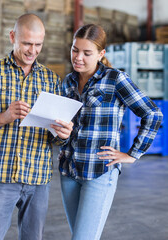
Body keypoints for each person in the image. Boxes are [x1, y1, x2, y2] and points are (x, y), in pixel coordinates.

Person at [0, 13, 74, 240]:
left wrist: (63, 134)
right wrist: (2, 117)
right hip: (0, 176)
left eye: (38, 45)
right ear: (12, 36)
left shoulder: (50, 80)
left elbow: (54, 136)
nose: (33, 51)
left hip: (37, 178)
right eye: (27, 43)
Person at [59, 24, 163, 240]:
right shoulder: (67, 83)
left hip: (99, 173)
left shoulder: (115, 80)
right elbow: (60, 128)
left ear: (101, 54)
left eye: (87, 53)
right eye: (75, 50)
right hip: (69, 171)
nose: (78, 57)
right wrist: (59, 134)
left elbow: (152, 114)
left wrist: (132, 154)